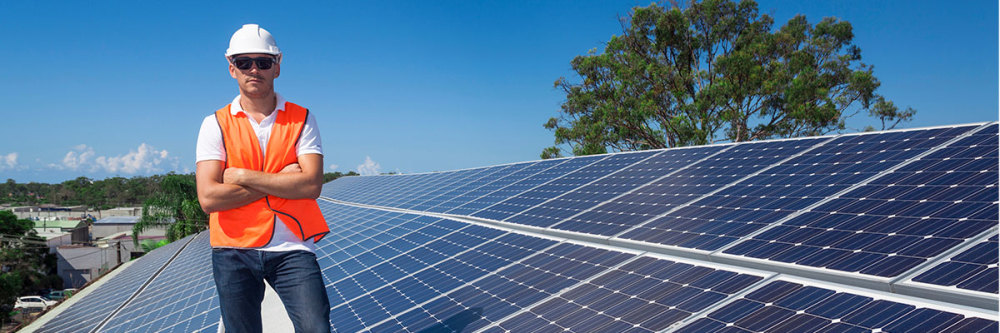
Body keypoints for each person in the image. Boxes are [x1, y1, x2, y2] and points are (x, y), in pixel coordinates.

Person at [195, 24, 331, 333]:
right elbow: (209, 198)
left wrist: (241, 176)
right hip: (233, 248)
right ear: (232, 68)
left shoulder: (302, 118)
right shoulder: (214, 124)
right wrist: (280, 179)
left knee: (316, 328)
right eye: (244, 62)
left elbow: (311, 185)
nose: (254, 69)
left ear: (277, 66)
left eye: (263, 62)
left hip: (292, 247)